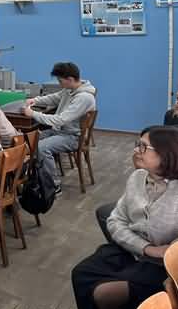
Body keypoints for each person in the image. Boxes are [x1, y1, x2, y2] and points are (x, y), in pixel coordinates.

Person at [72, 126, 178, 309]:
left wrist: (164, 253)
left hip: (162, 268)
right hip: (131, 250)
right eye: (137, 144)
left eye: (143, 147)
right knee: (81, 273)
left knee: (105, 294)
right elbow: (115, 220)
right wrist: (147, 249)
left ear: (166, 153)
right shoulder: (137, 177)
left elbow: (174, 253)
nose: (136, 150)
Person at [23, 62, 96, 194]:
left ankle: (53, 186)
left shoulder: (84, 98)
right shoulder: (70, 90)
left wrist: (33, 114)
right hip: (60, 131)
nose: (59, 83)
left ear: (70, 79)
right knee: (28, 141)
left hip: (72, 137)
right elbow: (54, 98)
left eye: (60, 81)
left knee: (41, 147)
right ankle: (36, 178)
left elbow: (60, 119)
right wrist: (35, 100)